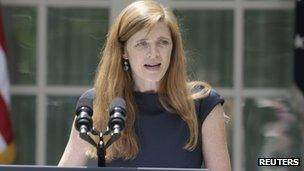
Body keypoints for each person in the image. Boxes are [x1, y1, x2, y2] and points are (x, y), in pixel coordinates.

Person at [58, 0, 231, 170]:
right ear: (124, 51)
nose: (153, 54)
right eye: (142, 44)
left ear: (173, 48)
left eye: (162, 42)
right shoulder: (96, 103)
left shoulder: (204, 104)